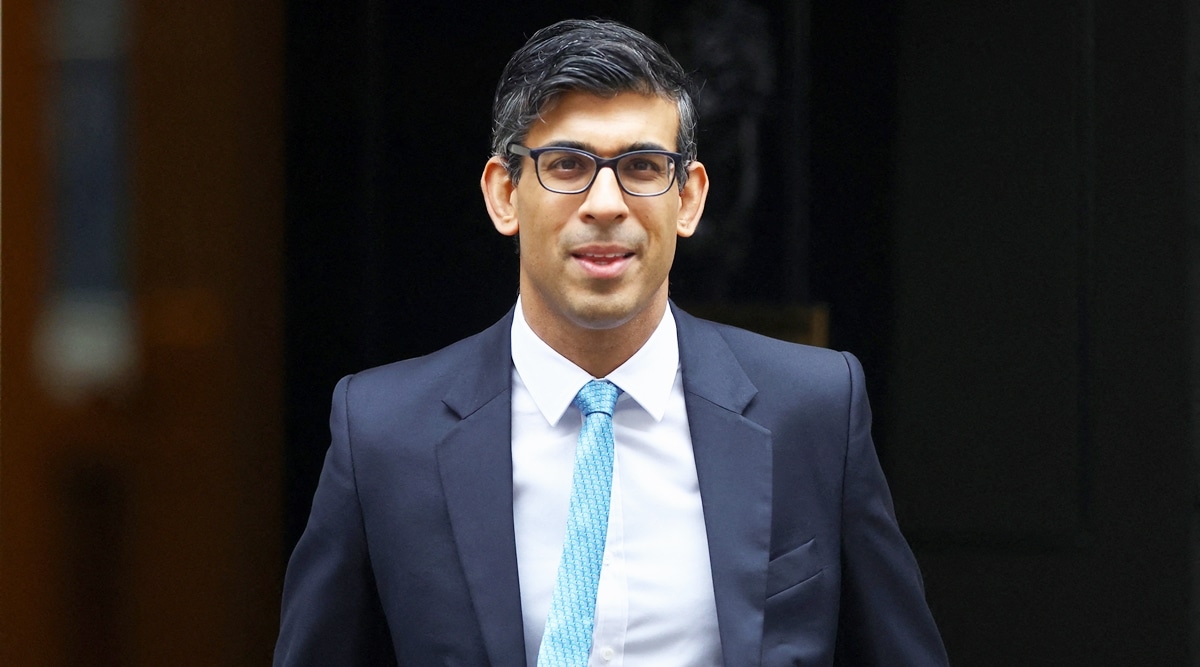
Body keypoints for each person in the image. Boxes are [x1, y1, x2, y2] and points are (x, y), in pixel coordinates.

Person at [274, 17, 947, 667]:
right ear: (503, 193)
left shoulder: (814, 410)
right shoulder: (384, 432)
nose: (605, 202)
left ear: (689, 197)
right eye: (566, 164)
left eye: (643, 165)